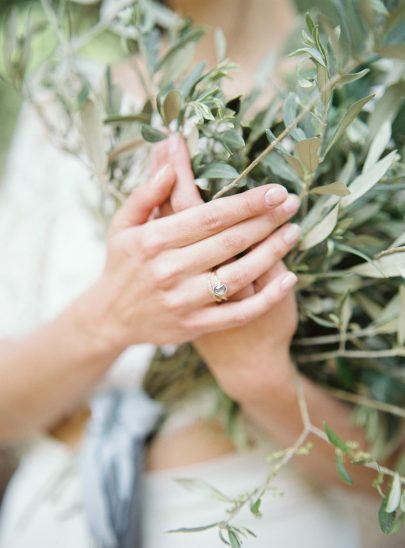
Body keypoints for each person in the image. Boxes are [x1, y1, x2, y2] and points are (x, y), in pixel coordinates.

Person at [0, 0, 398, 546]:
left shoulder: (364, 108)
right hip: (49, 522)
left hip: (264, 527)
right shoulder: (63, 103)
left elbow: (387, 472)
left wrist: (258, 374)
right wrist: (111, 317)